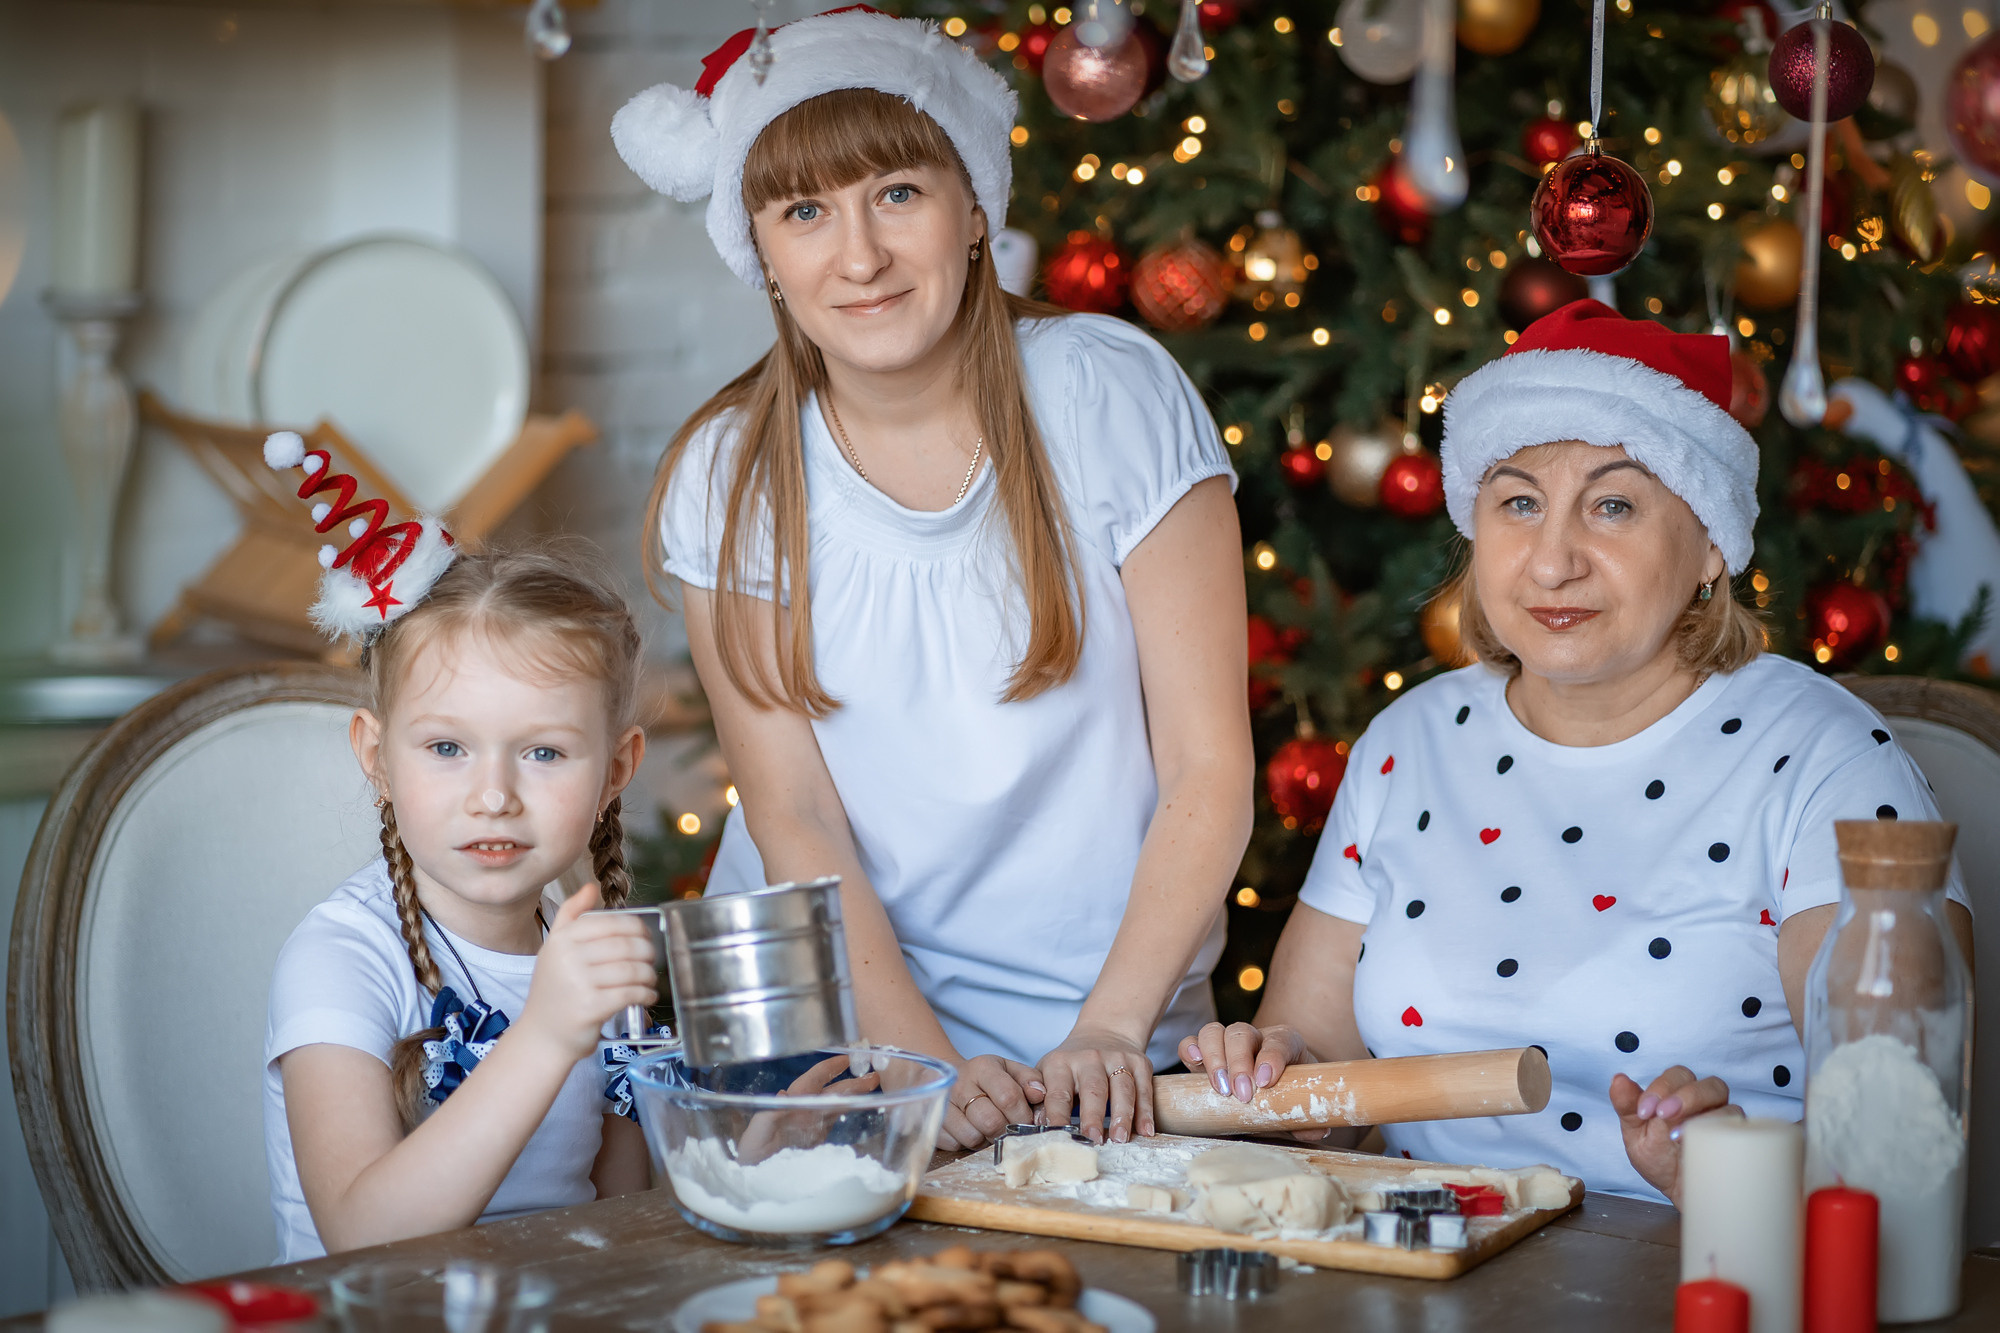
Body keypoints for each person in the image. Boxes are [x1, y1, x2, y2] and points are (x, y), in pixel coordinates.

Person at [612, 8, 1253, 1151]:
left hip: (1108, 1028)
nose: (856, 257)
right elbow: (792, 810)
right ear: (758, 249)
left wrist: (1110, 1025)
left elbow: (1207, 766)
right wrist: (921, 1066)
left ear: (971, 211)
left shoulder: (1108, 396)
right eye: (804, 212)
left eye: (896, 194)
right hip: (835, 1036)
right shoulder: (730, 474)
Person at [1178, 301, 1974, 1206]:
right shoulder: (1409, 742)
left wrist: (1733, 1173)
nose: (1552, 562)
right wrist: (1276, 1073)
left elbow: (1906, 1156)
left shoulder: (1830, 765)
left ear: (1711, 542)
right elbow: (1319, 1070)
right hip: (1420, 1266)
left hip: (1700, 1274)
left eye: (1614, 505)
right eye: (1519, 501)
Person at [260, 432, 659, 1259]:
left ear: (615, 770)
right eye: (447, 748)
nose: (493, 795)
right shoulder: (343, 959)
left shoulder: (592, 965)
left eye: (543, 752)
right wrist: (546, 1035)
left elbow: (625, 1228)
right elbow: (362, 1231)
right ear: (377, 757)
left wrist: (751, 1143)